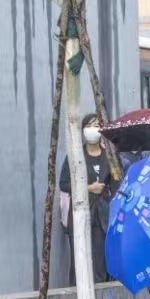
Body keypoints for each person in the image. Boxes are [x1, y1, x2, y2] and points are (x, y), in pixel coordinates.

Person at [58, 113, 119, 283]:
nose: (93, 129)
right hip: (80, 215)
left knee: (100, 263)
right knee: (79, 263)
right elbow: (64, 184)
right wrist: (88, 188)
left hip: (102, 217)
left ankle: (102, 295)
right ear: (83, 130)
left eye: (97, 125)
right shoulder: (75, 156)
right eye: (89, 126)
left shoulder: (109, 157)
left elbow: (117, 185)